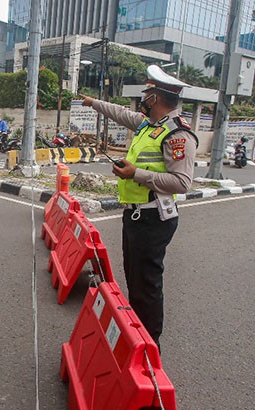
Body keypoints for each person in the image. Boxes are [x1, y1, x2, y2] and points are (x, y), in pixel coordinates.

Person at [79, 65, 197, 350]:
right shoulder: (148, 125)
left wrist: (136, 174)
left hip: (154, 217)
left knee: (147, 286)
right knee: (135, 281)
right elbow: (121, 114)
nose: (143, 98)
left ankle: (149, 347)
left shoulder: (177, 134)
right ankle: (138, 339)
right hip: (134, 214)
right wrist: (93, 103)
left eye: (146, 93)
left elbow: (182, 182)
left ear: (155, 97)